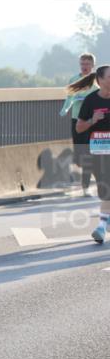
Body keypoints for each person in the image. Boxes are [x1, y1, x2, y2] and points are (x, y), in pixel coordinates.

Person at [72, 64, 110, 243]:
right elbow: (79, 128)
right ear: (100, 80)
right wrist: (92, 120)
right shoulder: (90, 101)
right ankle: (103, 226)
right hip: (98, 151)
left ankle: (102, 226)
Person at [61, 53, 98, 196]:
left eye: (87, 64)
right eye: (82, 64)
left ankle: (85, 187)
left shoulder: (97, 81)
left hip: (92, 121)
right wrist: (66, 107)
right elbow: (69, 97)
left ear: (92, 65)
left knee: (88, 155)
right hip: (77, 120)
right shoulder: (74, 79)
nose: (85, 67)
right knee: (79, 157)